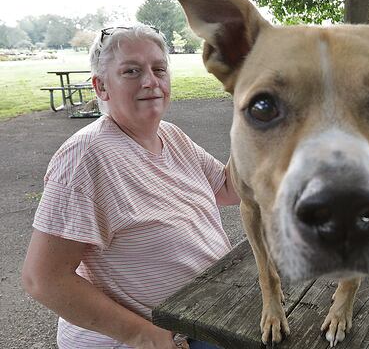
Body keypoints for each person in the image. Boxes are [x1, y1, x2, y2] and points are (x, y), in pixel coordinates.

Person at [21, 25, 240, 349]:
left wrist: (250, 132)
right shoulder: (86, 156)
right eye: (132, 71)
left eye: (158, 69)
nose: (150, 81)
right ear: (102, 86)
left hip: (204, 316)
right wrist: (145, 335)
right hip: (151, 338)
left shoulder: (170, 135)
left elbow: (227, 189)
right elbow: (43, 279)